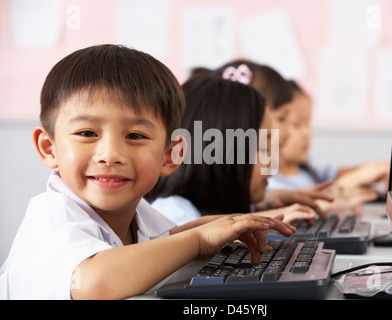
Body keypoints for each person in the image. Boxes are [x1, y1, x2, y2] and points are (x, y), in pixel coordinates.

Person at [0, 45, 296, 300]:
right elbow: (93, 281)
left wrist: (217, 225)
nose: (110, 155)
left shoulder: (135, 211)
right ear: (49, 147)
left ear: (171, 155)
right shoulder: (51, 219)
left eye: (135, 136)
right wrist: (199, 239)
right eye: (87, 132)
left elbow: (158, 243)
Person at [148, 72, 319, 226]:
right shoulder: (173, 212)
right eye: (262, 148)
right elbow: (201, 239)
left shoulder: (214, 207)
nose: (272, 163)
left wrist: (269, 201)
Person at [268, 80, 390, 214]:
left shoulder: (305, 170)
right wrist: (356, 178)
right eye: (297, 124)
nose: (307, 133)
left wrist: (373, 169)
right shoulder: (269, 182)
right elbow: (297, 207)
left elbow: (336, 173)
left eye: (307, 124)